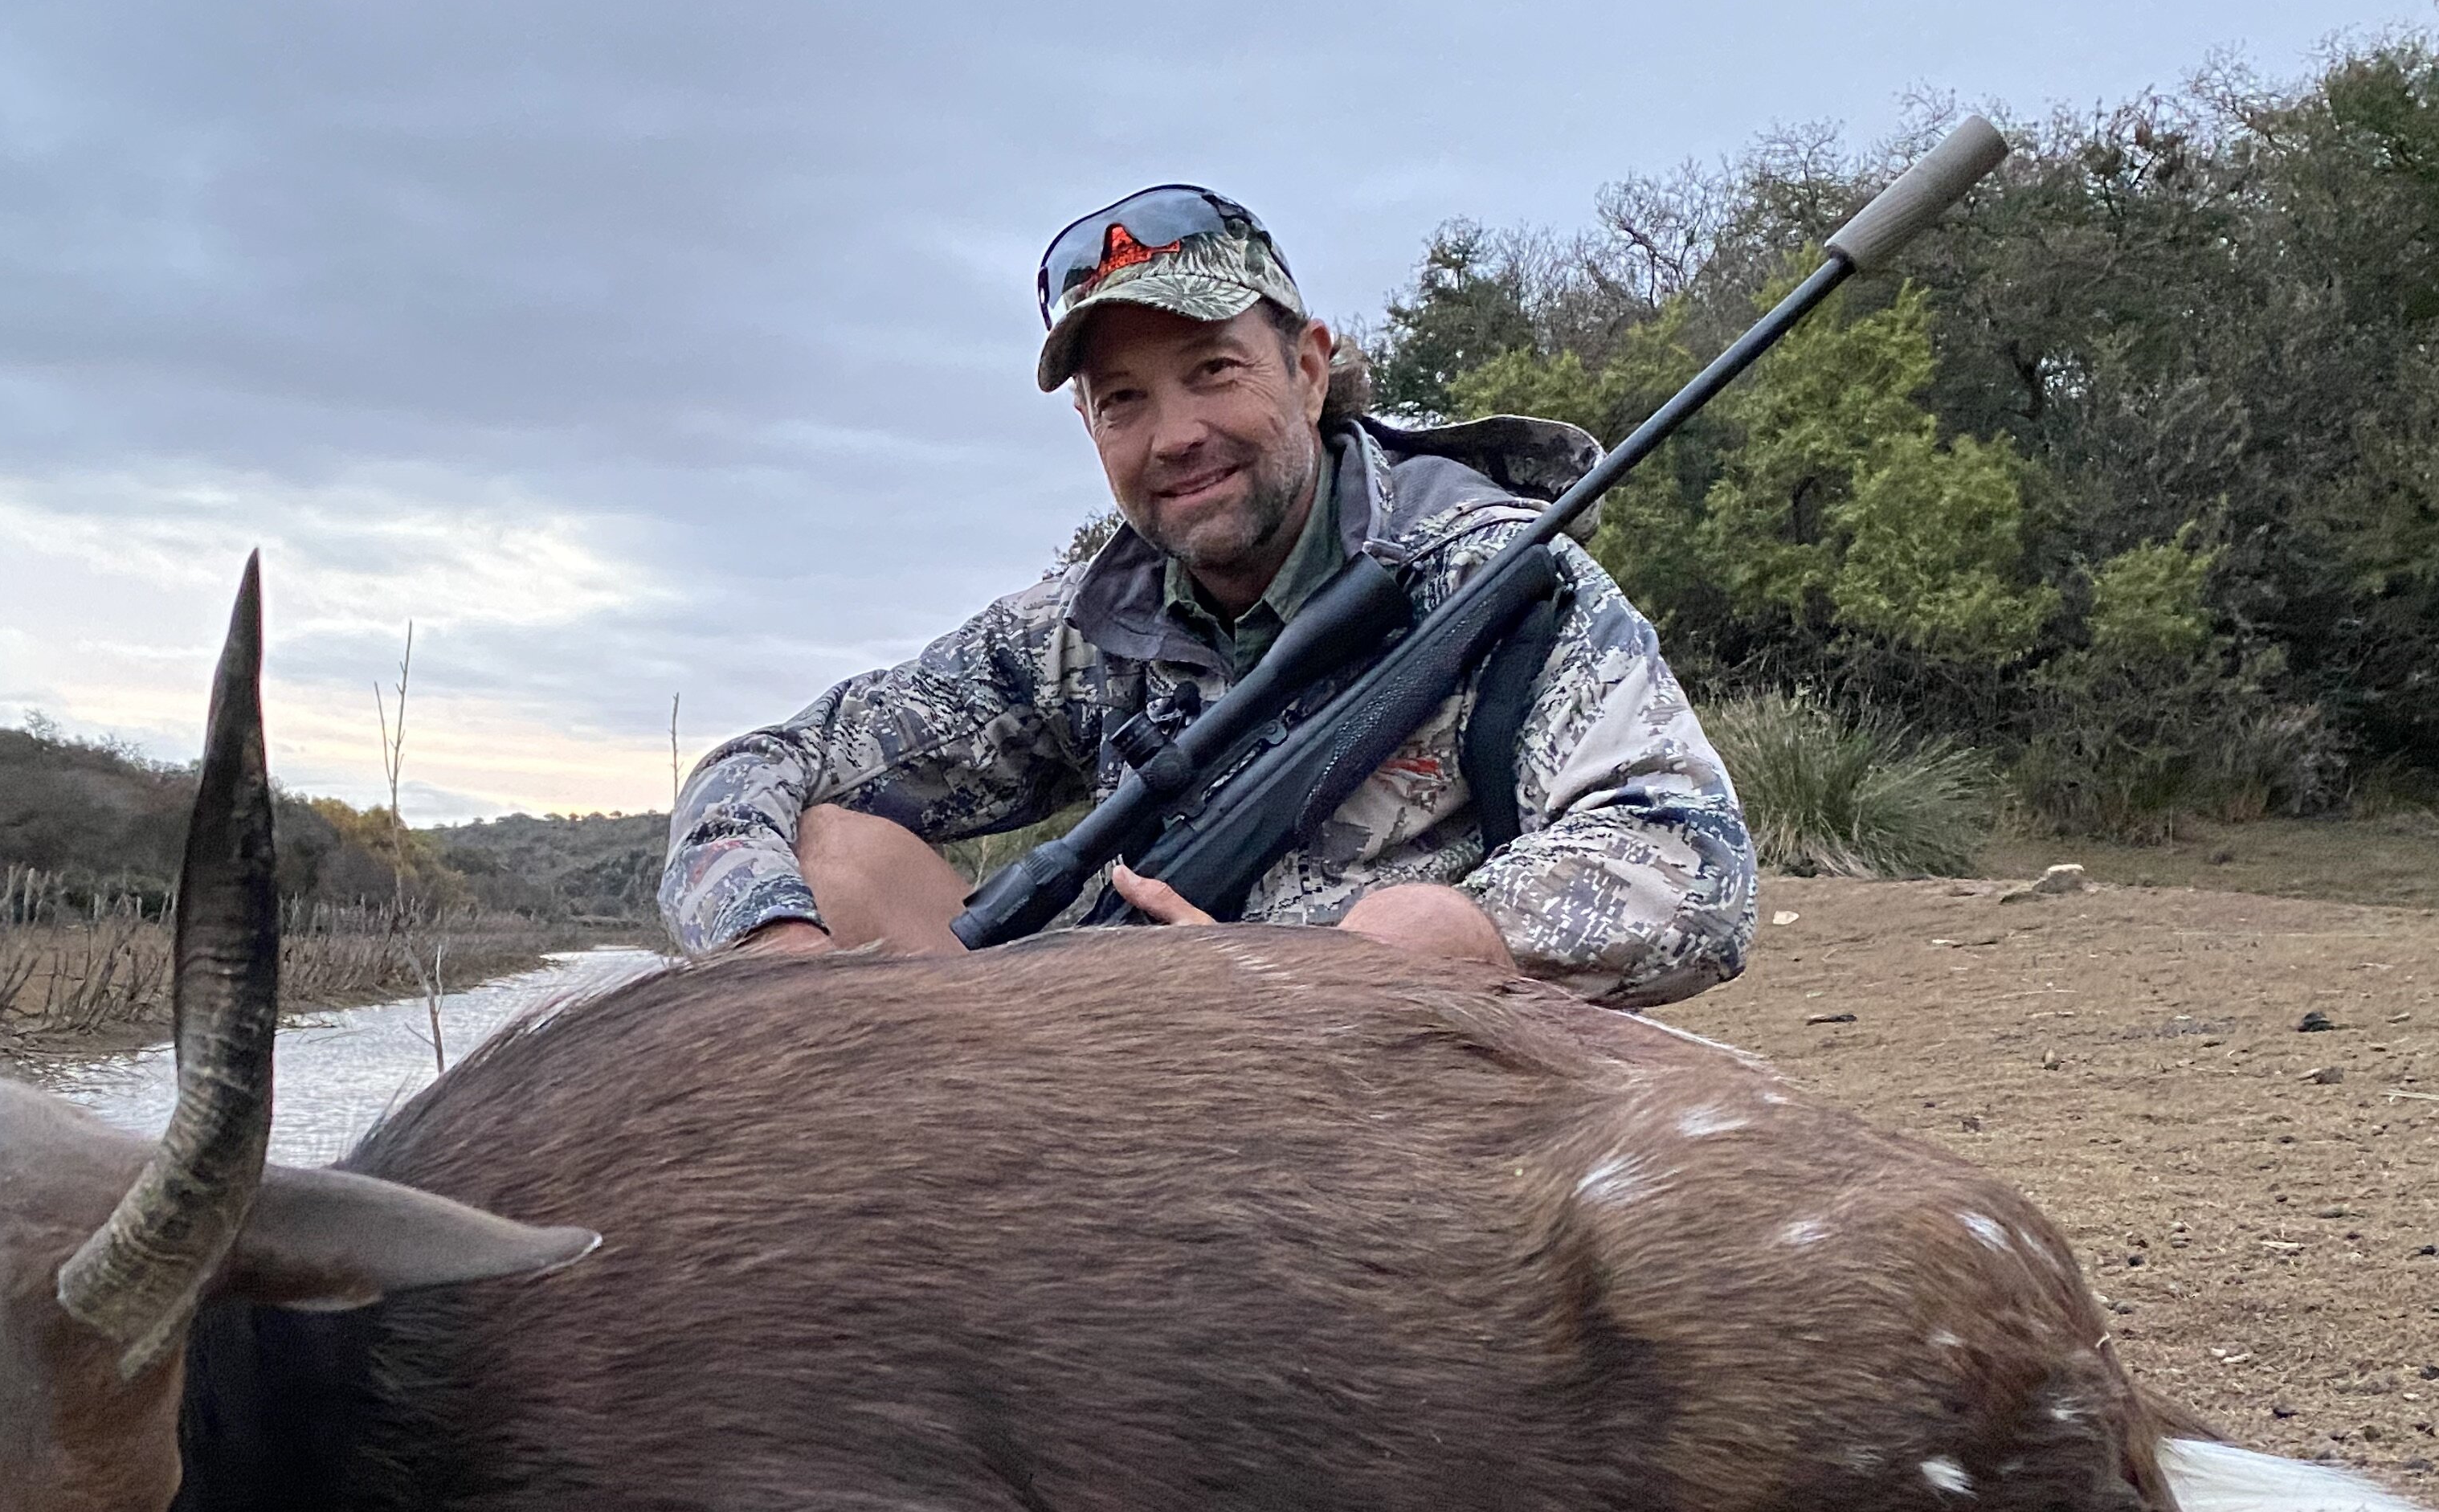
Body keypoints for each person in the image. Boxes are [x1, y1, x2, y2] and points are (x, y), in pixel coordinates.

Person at [658, 184, 1755, 1005]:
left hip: (1414, 1080)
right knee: (838, 858)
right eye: (1123, 399)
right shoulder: (1074, 628)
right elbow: (759, 769)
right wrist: (776, 965)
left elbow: (1691, 862)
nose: (1175, 436)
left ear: (1311, 366)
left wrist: (1424, 942)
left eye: (1213, 372)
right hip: (1134, 1060)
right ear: (1088, 430)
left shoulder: (1500, 573)